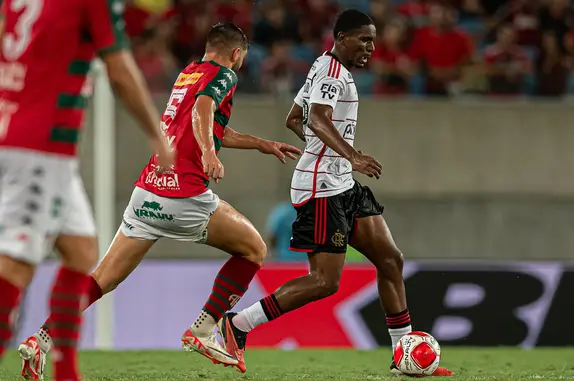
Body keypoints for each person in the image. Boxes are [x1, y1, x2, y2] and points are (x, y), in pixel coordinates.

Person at [17, 22, 301, 378]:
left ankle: (40, 341)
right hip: (183, 195)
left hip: (147, 191)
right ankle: (203, 328)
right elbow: (203, 111)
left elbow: (206, 123)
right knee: (254, 249)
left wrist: (261, 143)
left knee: (102, 278)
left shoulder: (187, 73)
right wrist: (210, 155)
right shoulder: (225, 75)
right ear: (237, 53)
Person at [217, 10, 453, 376]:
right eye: (363, 40)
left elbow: (294, 118)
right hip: (321, 188)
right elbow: (316, 118)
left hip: (341, 181)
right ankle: (237, 325)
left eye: (373, 41)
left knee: (390, 259)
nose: (370, 48)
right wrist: (350, 155)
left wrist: (327, 153)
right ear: (341, 38)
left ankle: (401, 355)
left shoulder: (324, 67)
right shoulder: (330, 74)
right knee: (325, 282)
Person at [0, 0, 174, 380]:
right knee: (15, 265)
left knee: (81, 251)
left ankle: (67, 374)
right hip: (40, 148)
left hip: (23, 134)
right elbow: (120, 69)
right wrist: (155, 132)